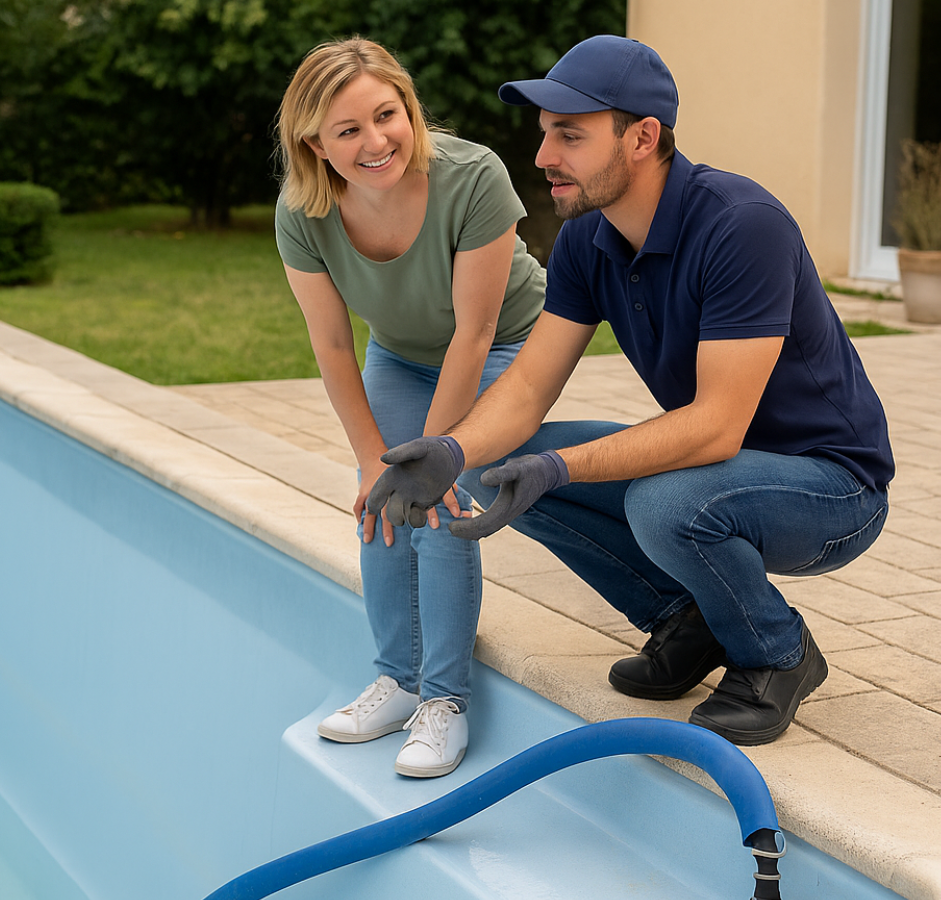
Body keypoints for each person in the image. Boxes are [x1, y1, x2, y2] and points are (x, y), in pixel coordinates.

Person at [365, 35, 894, 746]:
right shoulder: (589, 236)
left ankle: (777, 652)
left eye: (570, 136)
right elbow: (526, 388)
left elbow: (716, 429)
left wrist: (559, 467)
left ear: (643, 138)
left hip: (835, 488)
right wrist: (451, 452)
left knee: (664, 502)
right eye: (546, 134)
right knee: (499, 466)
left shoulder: (742, 225)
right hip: (719, 472)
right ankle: (688, 618)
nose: (544, 156)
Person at [274, 37, 548, 776]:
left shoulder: (472, 178)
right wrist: (373, 461)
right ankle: (397, 681)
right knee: (381, 497)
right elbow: (333, 346)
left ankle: (446, 702)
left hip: (505, 342)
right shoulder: (302, 211)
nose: (376, 141)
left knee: (440, 495)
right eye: (348, 130)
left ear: (408, 106)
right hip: (399, 350)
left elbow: (478, 328)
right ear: (315, 143)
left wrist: (431, 461)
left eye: (386, 115)